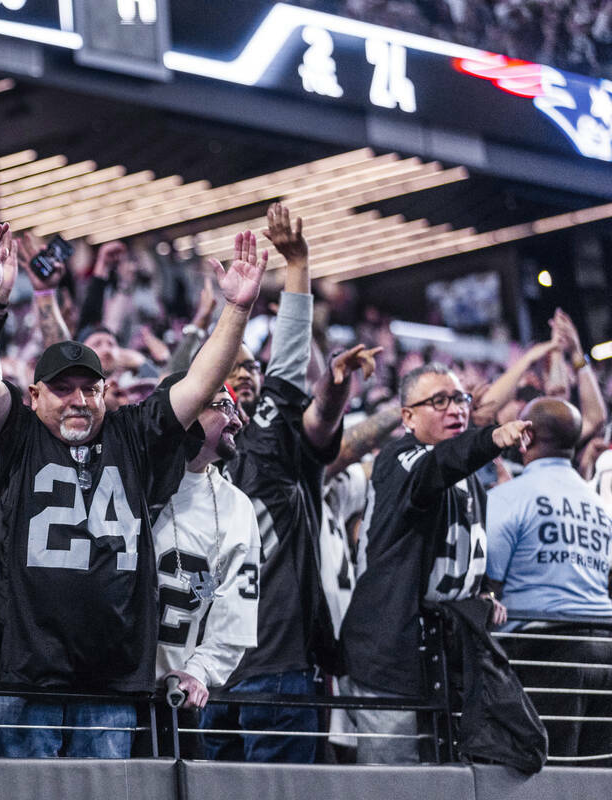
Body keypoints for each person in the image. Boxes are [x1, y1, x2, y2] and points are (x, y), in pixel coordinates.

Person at [0, 223, 264, 759]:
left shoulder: (133, 435)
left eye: (90, 387)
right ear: (33, 395)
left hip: (115, 679)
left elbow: (196, 385)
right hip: (22, 675)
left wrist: (235, 312)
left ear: (107, 392)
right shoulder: (18, 435)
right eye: (62, 388)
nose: (78, 399)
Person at [202, 204, 376, 763]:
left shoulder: (274, 443)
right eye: (232, 367)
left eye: (252, 369)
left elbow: (297, 376)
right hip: (203, 669)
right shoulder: (169, 450)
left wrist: (296, 266)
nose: (246, 375)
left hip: (275, 662)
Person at [340, 362, 530, 763]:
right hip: (391, 658)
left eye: (460, 398)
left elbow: (464, 561)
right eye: (438, 401)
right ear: (407, 416)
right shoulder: (400, 459)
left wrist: (482, 596)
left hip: (441, 662)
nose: (456, 409)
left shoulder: (471, 479)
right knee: (393, 786)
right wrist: (491, 437)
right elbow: (435, 468)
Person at [486, 397, 612, 765]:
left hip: (545, 651)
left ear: (525, 435)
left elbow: (489, 584)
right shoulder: (601, 507)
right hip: (605, 650)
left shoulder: (509, 497)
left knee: (547, 775)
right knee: (597, 776)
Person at [152, 381, 261, 758]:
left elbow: (235, 614)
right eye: (222, 407)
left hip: (176, 698)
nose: (236, 420)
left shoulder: (236, 506)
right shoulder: (128, 472)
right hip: (104, 691)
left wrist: (200, 670)